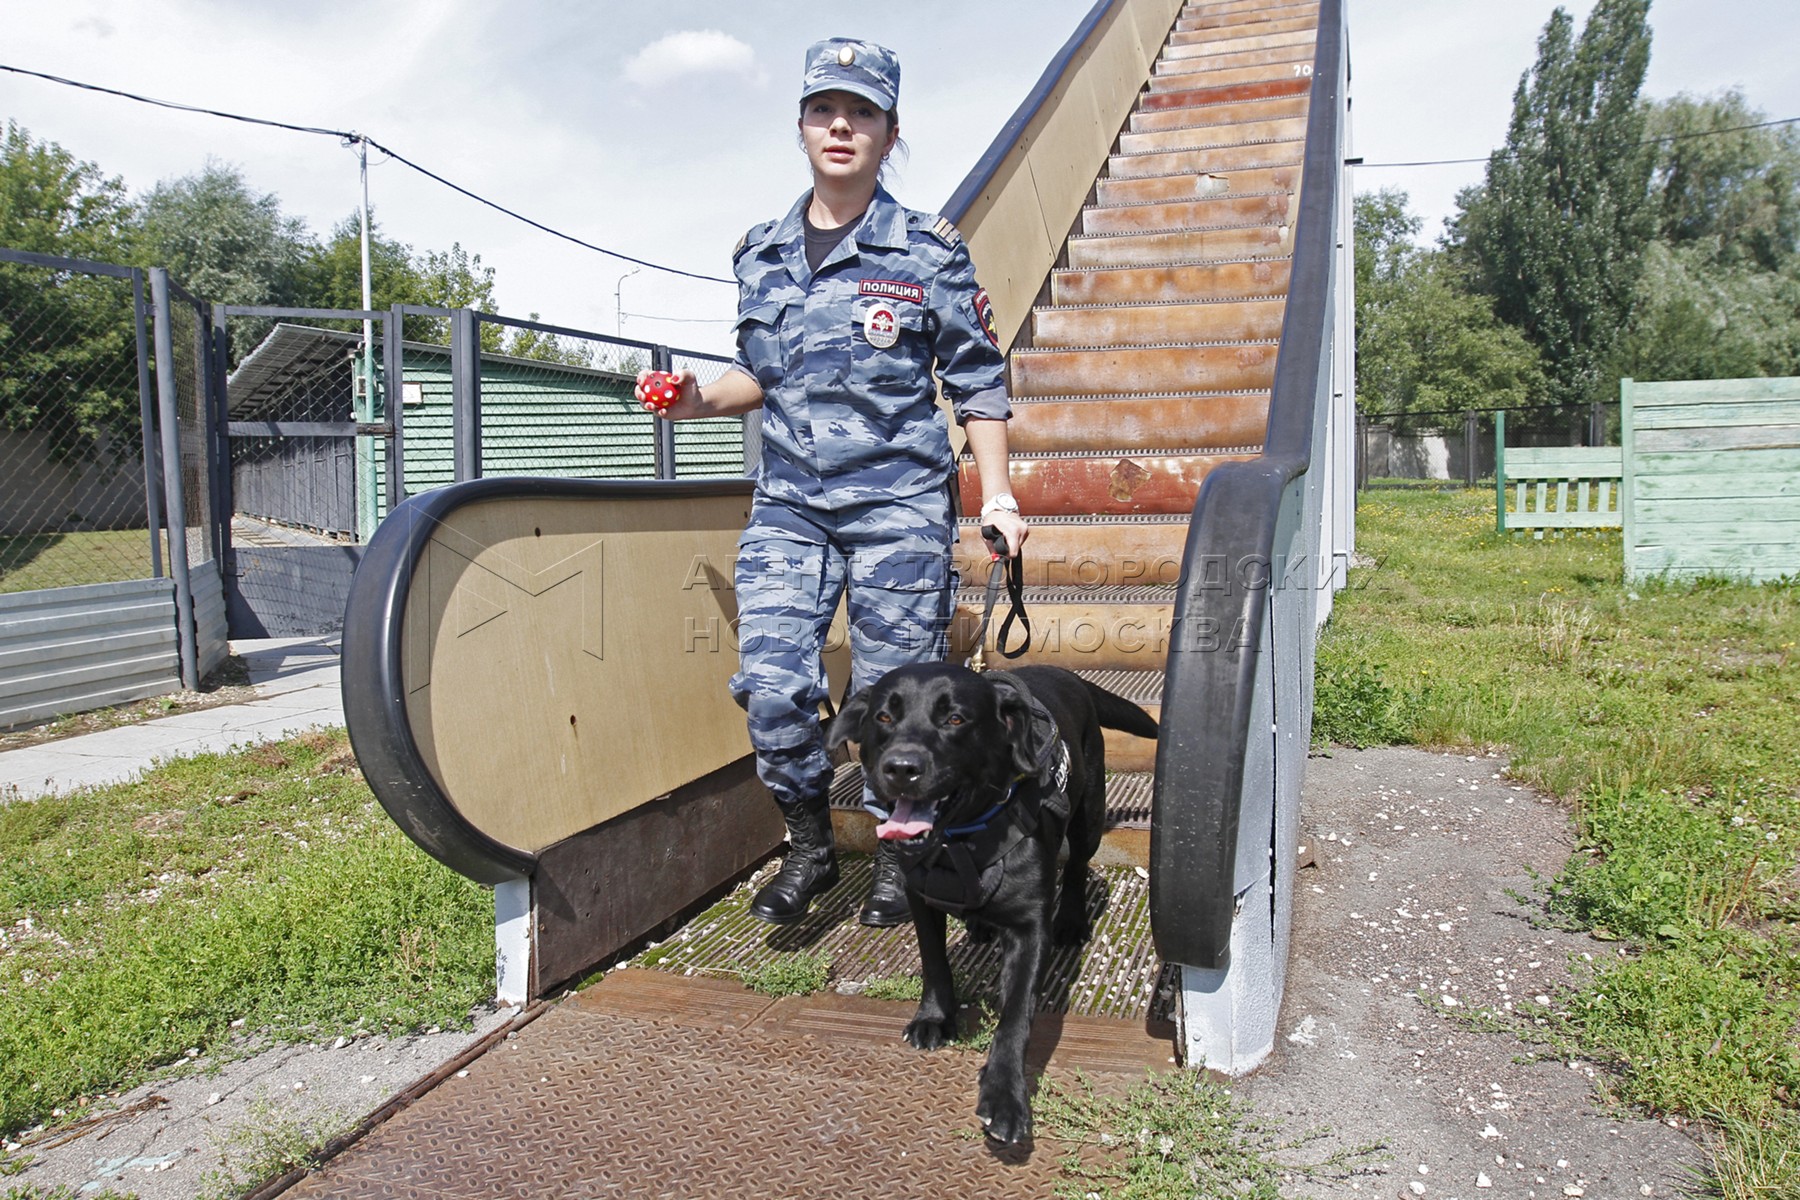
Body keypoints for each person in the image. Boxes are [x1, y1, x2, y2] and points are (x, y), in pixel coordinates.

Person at [639, 37, 1027, 928]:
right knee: (772, 689)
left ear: (891, 133)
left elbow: (977, 381)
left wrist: (997, 494)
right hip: (791, 507)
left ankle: (899, 863)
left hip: (898, 507)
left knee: (901, 711)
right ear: (803, 125)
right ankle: (812, 847)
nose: (841, 126)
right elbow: (757, 376)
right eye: (825, 110)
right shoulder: (760, 252)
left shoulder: (927, 251)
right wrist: (696, 399)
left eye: (862, 113)